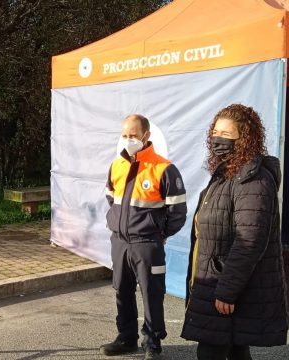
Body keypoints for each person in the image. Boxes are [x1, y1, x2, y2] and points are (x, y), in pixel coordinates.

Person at [181, 104, 288, 359]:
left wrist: (227, 290)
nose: (218, 139)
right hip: (218, 282)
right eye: (215, 132)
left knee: (211, 352)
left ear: (245, 139)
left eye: (226, 135)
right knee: (237, 349)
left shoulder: (253, 180)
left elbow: (250, 240)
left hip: (228, 287)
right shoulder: (226, 173)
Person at [100, 114, 187, 360]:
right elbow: (111, 198)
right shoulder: (117, 165)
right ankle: (126, 338)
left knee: (151, 292)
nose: (128, 140)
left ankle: (152, 343)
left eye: (133, 135)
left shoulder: (165, 168)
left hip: (147, 244)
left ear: (146, 136)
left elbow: (177, 211)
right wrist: (119, 225)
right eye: (125, 135)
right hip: (120, 242)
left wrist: (158, 233)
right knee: (122, 290)